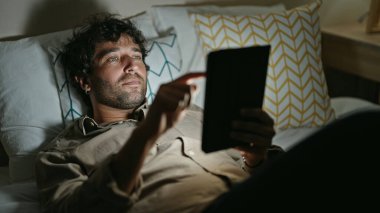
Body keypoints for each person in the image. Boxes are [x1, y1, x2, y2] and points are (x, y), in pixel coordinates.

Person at [35, 13, 281, 213]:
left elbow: (280, 175)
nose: (132, 66)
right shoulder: (62, 153)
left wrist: (256, 157)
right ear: (84, 81)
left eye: (136, 56)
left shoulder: (191, 111)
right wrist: (146, 134)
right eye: (113, 59)